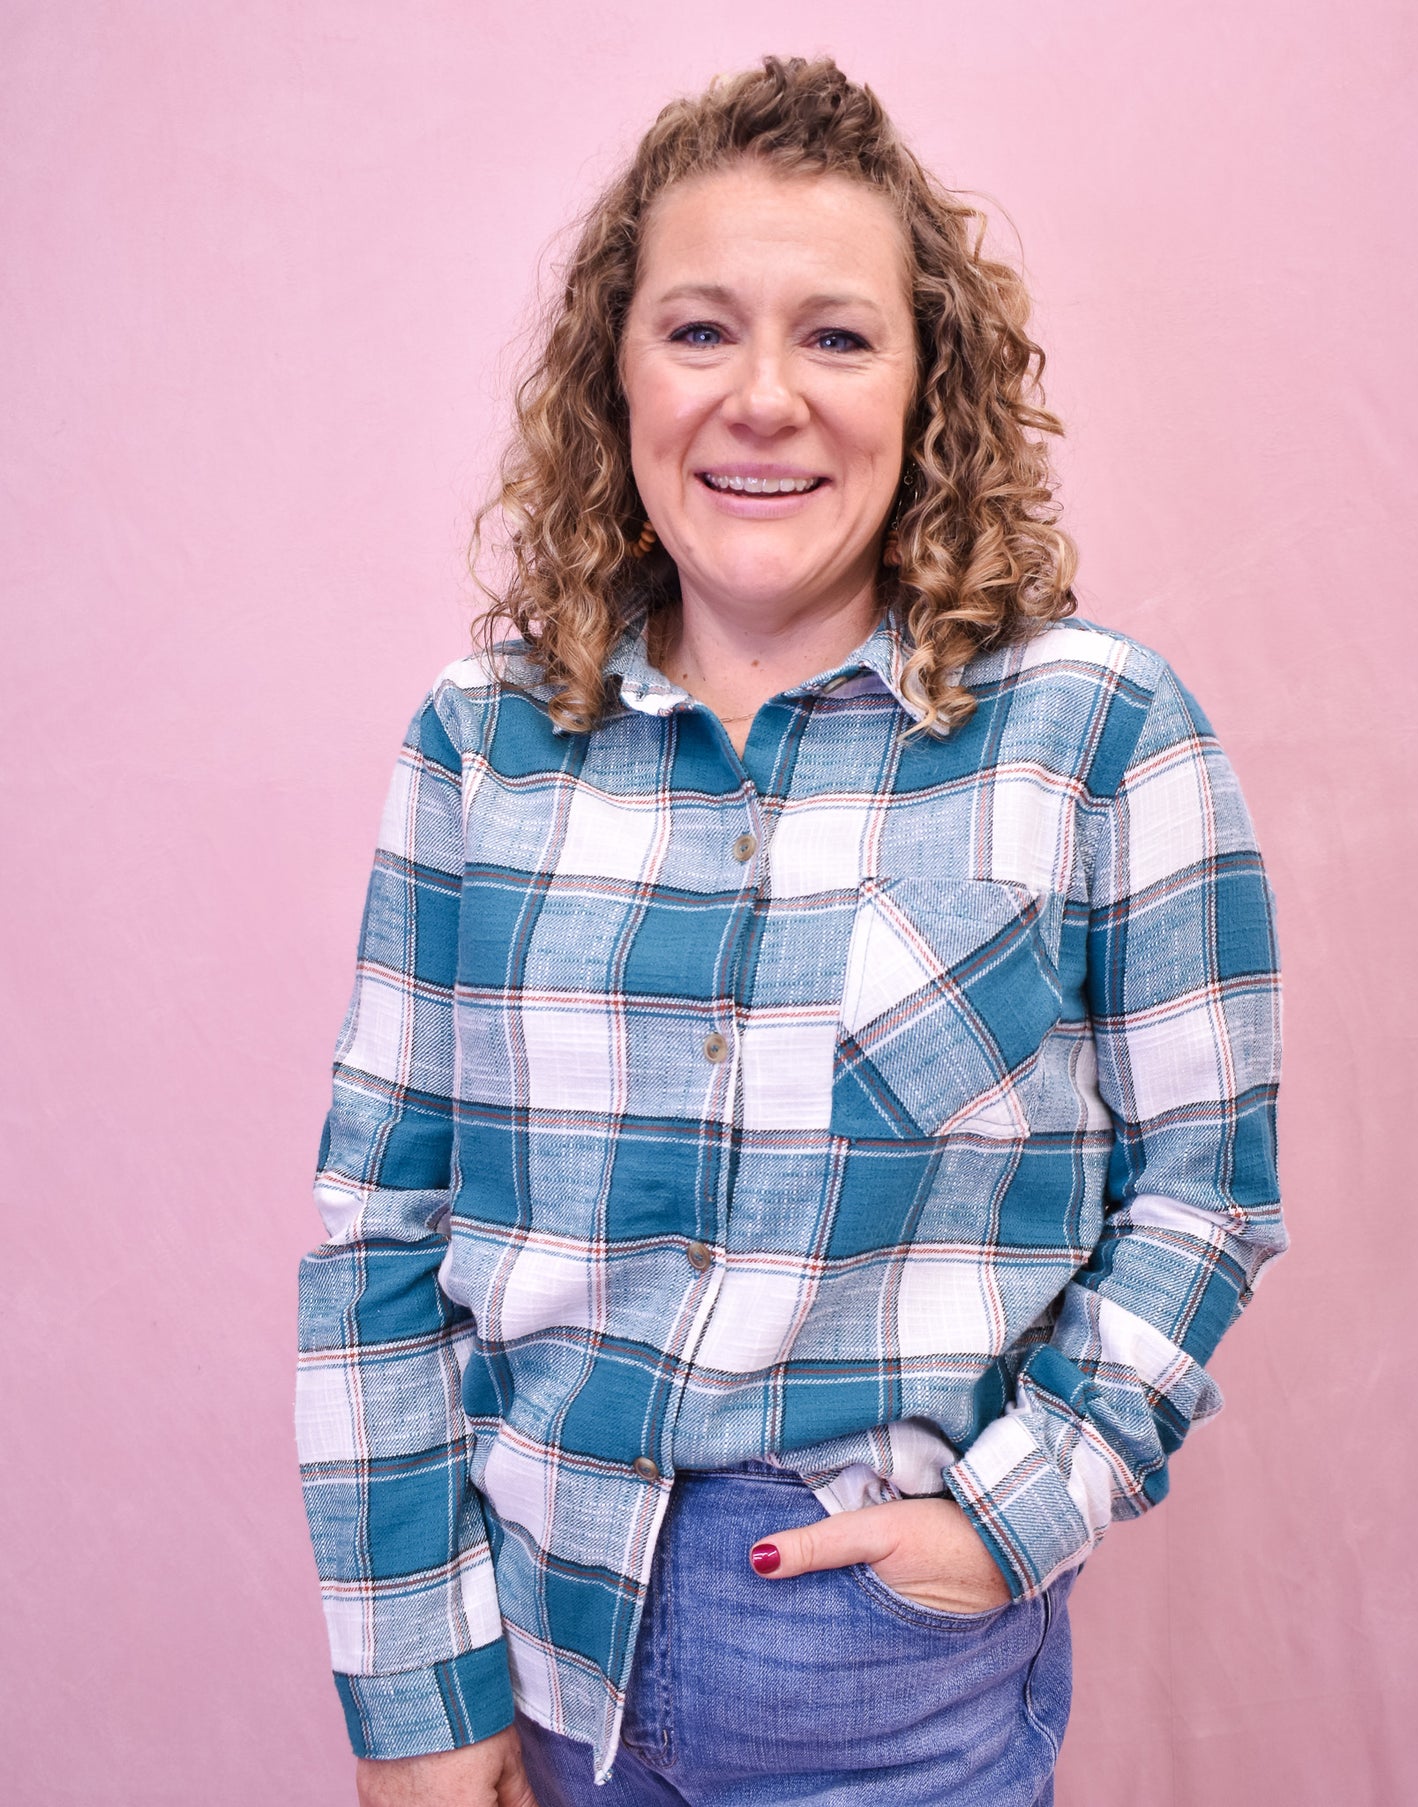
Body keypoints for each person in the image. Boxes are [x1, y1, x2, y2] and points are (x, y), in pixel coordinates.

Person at [296, 55, 1284, 1807]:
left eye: (834, 336)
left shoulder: (1102, 735)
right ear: (615, 374)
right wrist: (417, 1707)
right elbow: (377, 1238)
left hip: (882, 1677)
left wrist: (1011, 1516)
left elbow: (1204, 1192)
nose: (763, 398)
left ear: (928, 388)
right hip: (527, 1642)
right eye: (697, 331)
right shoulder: (475, 744)